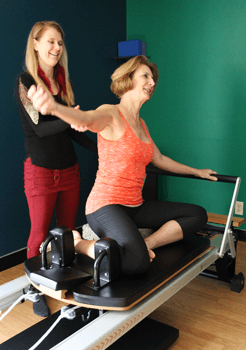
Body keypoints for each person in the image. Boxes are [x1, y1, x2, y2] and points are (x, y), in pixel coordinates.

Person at [28, 55, 217, 276]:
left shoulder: (142, 124)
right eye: (145, 76)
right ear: (128, 79)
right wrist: (54, 108)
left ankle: (147, 244)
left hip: (135, 206)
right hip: (104, 206)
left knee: (197, 214)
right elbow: (86, 118)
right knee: (137, 263)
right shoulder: (111, 113)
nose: (152, 82)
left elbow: (160, 159)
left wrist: (197, 172)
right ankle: (78, 244)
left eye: (153, 78)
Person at [15, 21, 97, 316]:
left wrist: (102, 147)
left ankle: (65, 283)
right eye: (50, 42)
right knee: (39, 235)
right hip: (41, 171)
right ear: (35, 44)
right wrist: (72, 116)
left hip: (69, 171)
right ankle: (34, 289)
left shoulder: (61, 85)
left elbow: (71, 132)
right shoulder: (26, 83)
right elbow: (40, 128)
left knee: (66, 233)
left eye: (60, 43)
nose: (56, 48)